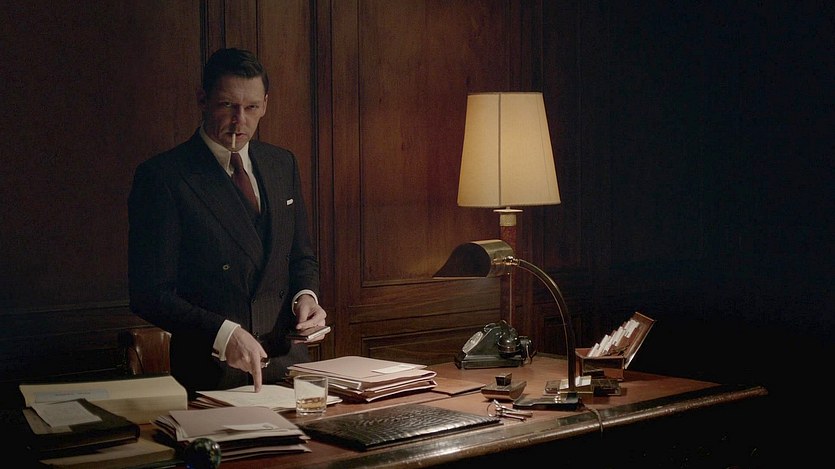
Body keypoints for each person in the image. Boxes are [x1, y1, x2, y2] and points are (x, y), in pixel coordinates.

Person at [128, 48, 327, 398]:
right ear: (202, 100)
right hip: (210, 377)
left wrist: (305, 297)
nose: (240, 121)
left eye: (251, 107)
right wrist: (223, 334)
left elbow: (300, 256)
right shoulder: (163, 177)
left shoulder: (282, 164)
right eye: (227, 106)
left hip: (289, 369)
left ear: (265, 104)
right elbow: (150, 294)